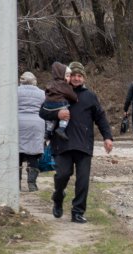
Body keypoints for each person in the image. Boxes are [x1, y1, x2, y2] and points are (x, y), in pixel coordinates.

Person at [39, 61, 113, 224]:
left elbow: (100, 118)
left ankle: (78, 211)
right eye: (73, 75)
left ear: (84, 78)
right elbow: (43, 112)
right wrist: (57, 115)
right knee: (63, 175)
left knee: (83, 180)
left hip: (84, 144)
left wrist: (108, 137)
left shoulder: (90, 97)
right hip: (62, 143)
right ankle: (58, 196)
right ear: (68, 76)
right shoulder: (58, 92)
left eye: (80, 76)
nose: (77, 78)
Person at [0, 71, 45, 192]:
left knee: (16, 154)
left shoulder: (14, 92)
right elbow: (48, 110)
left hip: (17, 124)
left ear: (21, 80)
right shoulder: (42, 94)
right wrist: (49, 129)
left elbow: (2, 106)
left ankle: (16, 184)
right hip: (36, 125)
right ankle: (32, 184)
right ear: (34, 81)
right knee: (33, 154)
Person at [42, 61, 78, 141]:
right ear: (63, 76)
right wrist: (76, 98)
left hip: (47, 105)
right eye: (68, 76)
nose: (69, 78)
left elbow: (46, 92)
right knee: (65, 114)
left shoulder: (51, 83)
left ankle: (48, 131)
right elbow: (71, 95)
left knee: (51, 119)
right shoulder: (64, 85)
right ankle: (61, 129)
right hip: (59, 104)